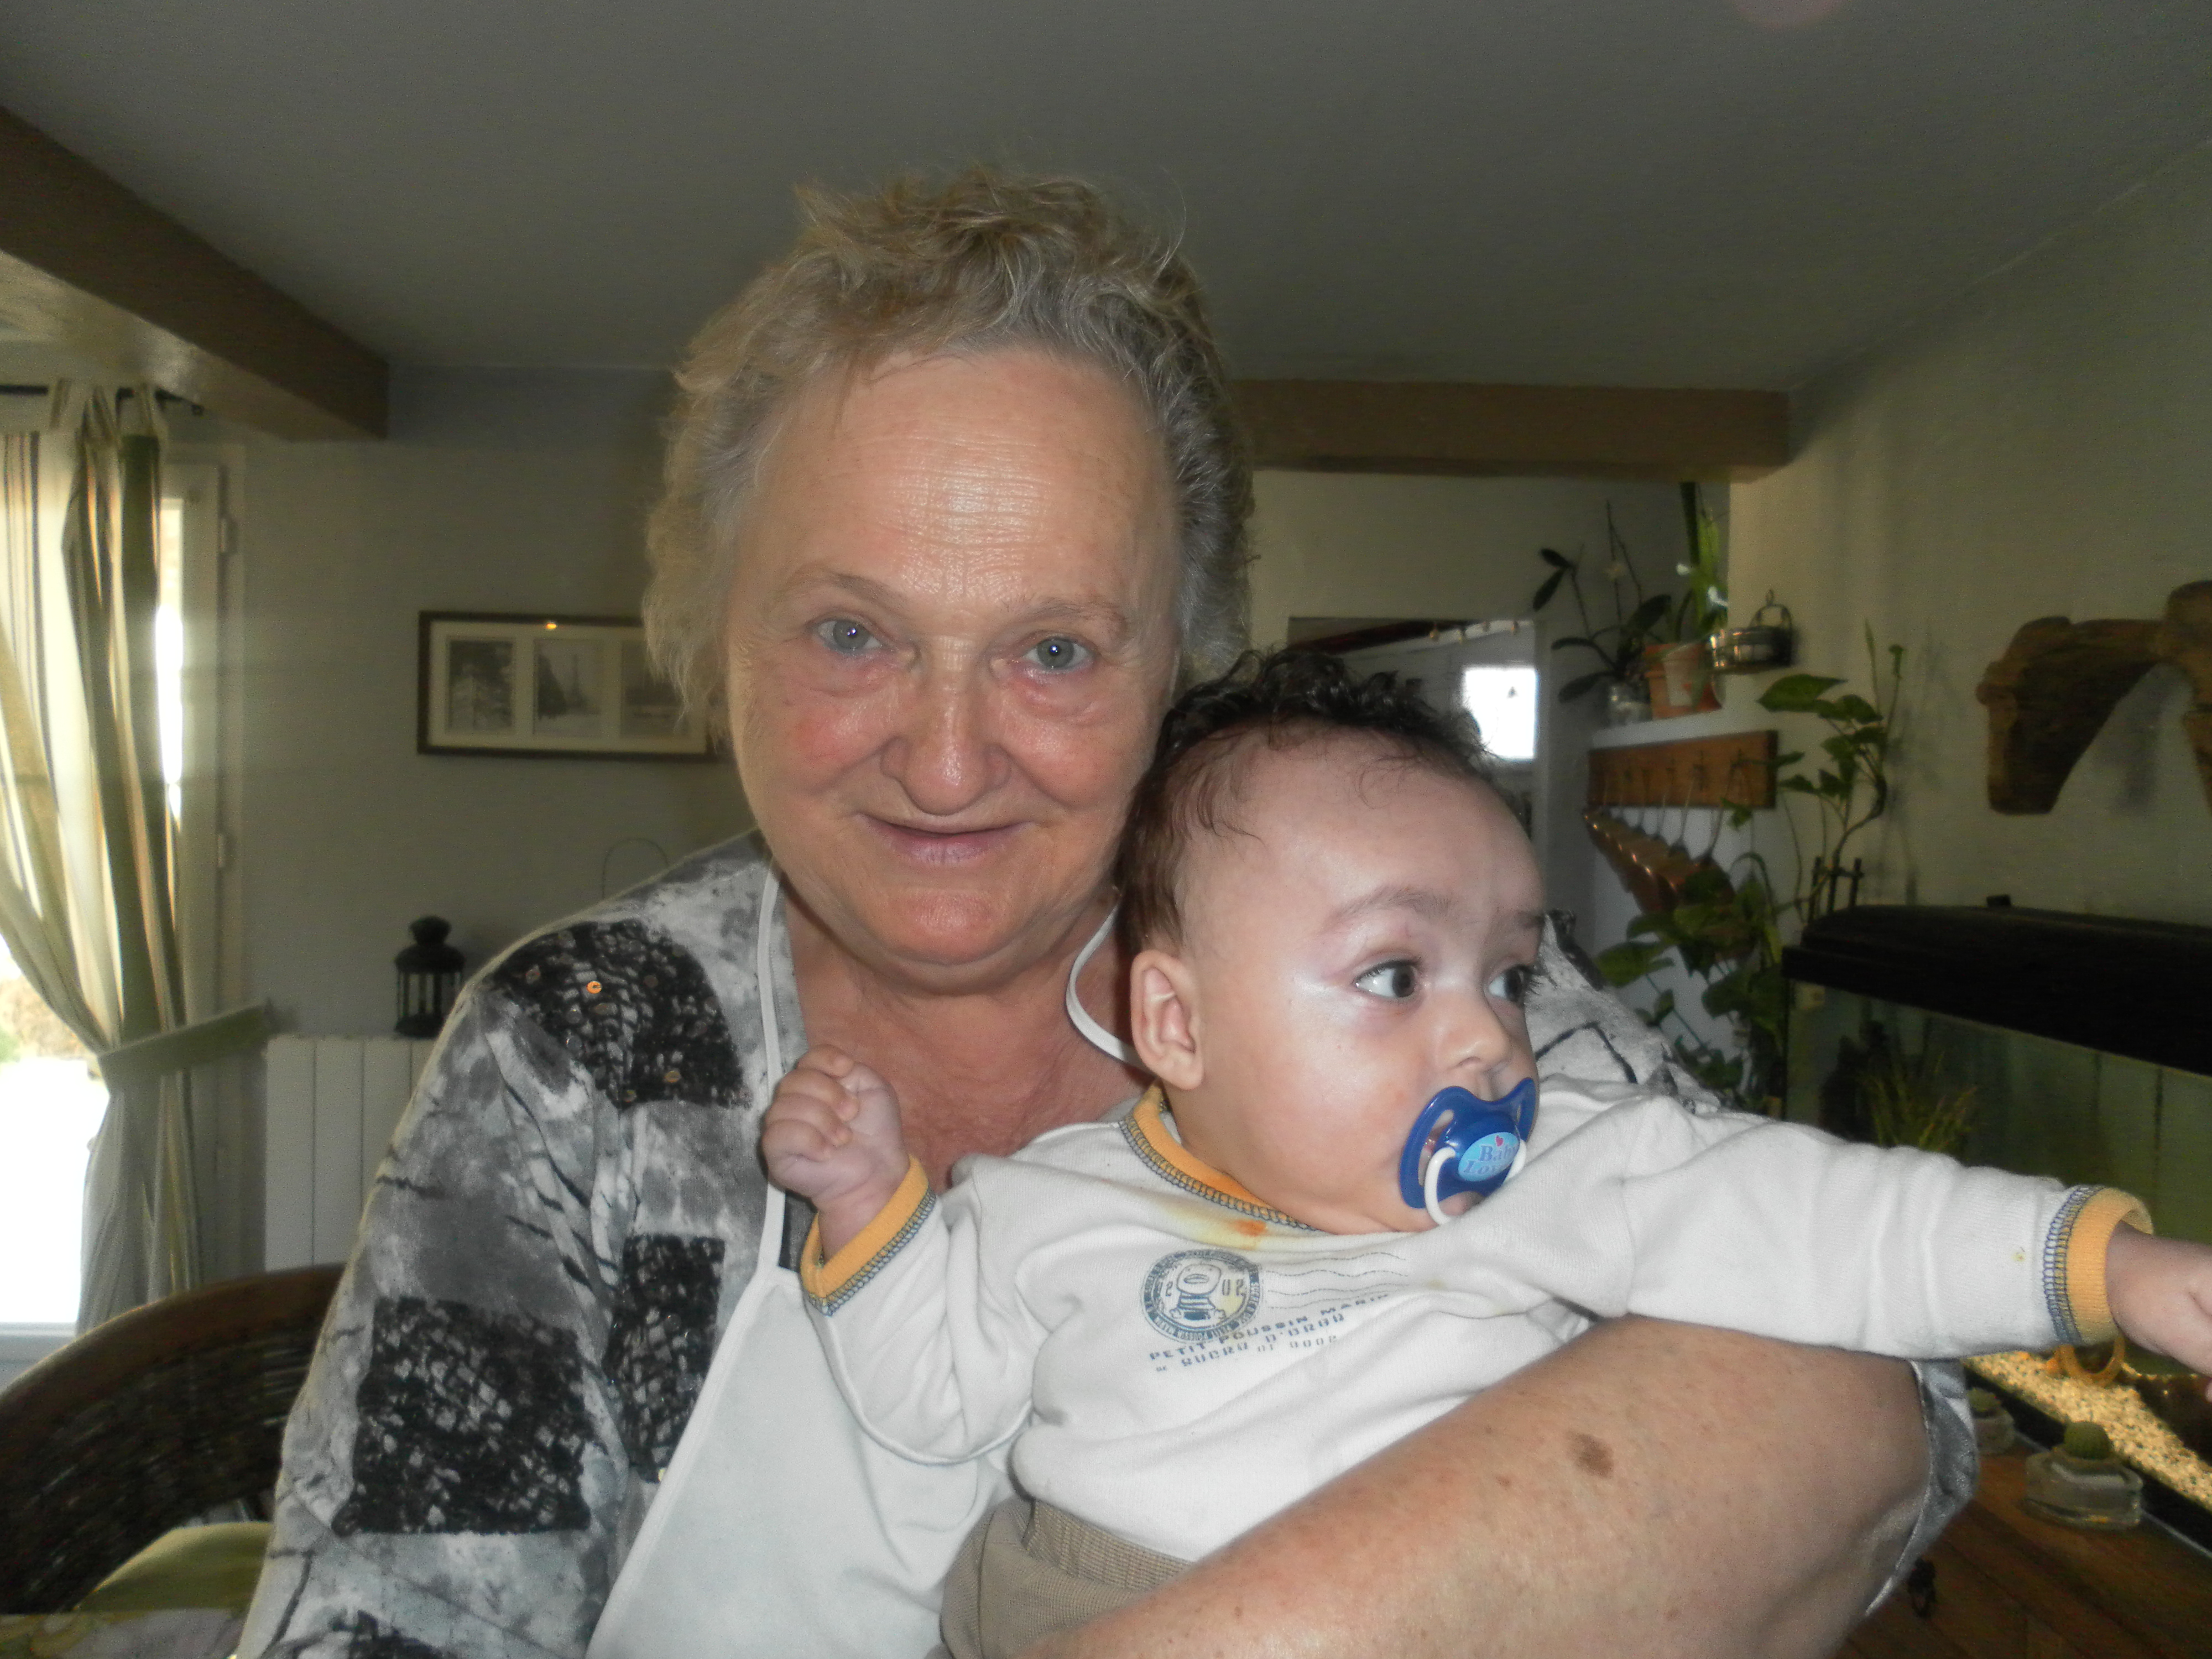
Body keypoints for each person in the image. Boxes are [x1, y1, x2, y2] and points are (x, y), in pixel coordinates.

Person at [244, 170, 1966, 1659]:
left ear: (1182, 662)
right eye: (851, 633)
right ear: (718, 640)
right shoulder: (589, 1054)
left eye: (1055, 649)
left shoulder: (1418, 960)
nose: (946, 761)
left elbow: (1887, 1390)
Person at [763, 650, 2212, 1659]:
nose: (1490, 1039)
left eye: (1509, 974)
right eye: (1396, 976)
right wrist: (871, 1207)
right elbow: (929, 1395)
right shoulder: (1048, 1203)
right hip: (1073, 1603)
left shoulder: (1563, 1165)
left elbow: (1817, 1216)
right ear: (1177, 1023)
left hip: (1468, 1601)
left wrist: (2110, 1266)